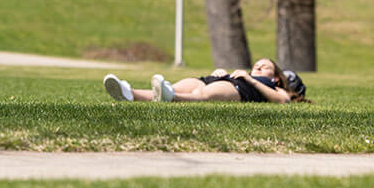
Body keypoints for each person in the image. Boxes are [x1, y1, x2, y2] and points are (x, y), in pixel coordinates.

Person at [103, 58, 308, 104]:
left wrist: (250, 79)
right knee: (174, 86)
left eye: (264, 67)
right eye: (256, 65)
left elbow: (283, 101)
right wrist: (220, 72)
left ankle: (172, 98)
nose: (258, 67)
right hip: (218, 79)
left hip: (240, 88)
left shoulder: (271, 86)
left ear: (276, 78)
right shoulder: (247, 73)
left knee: (200, 96)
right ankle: (128, 93)